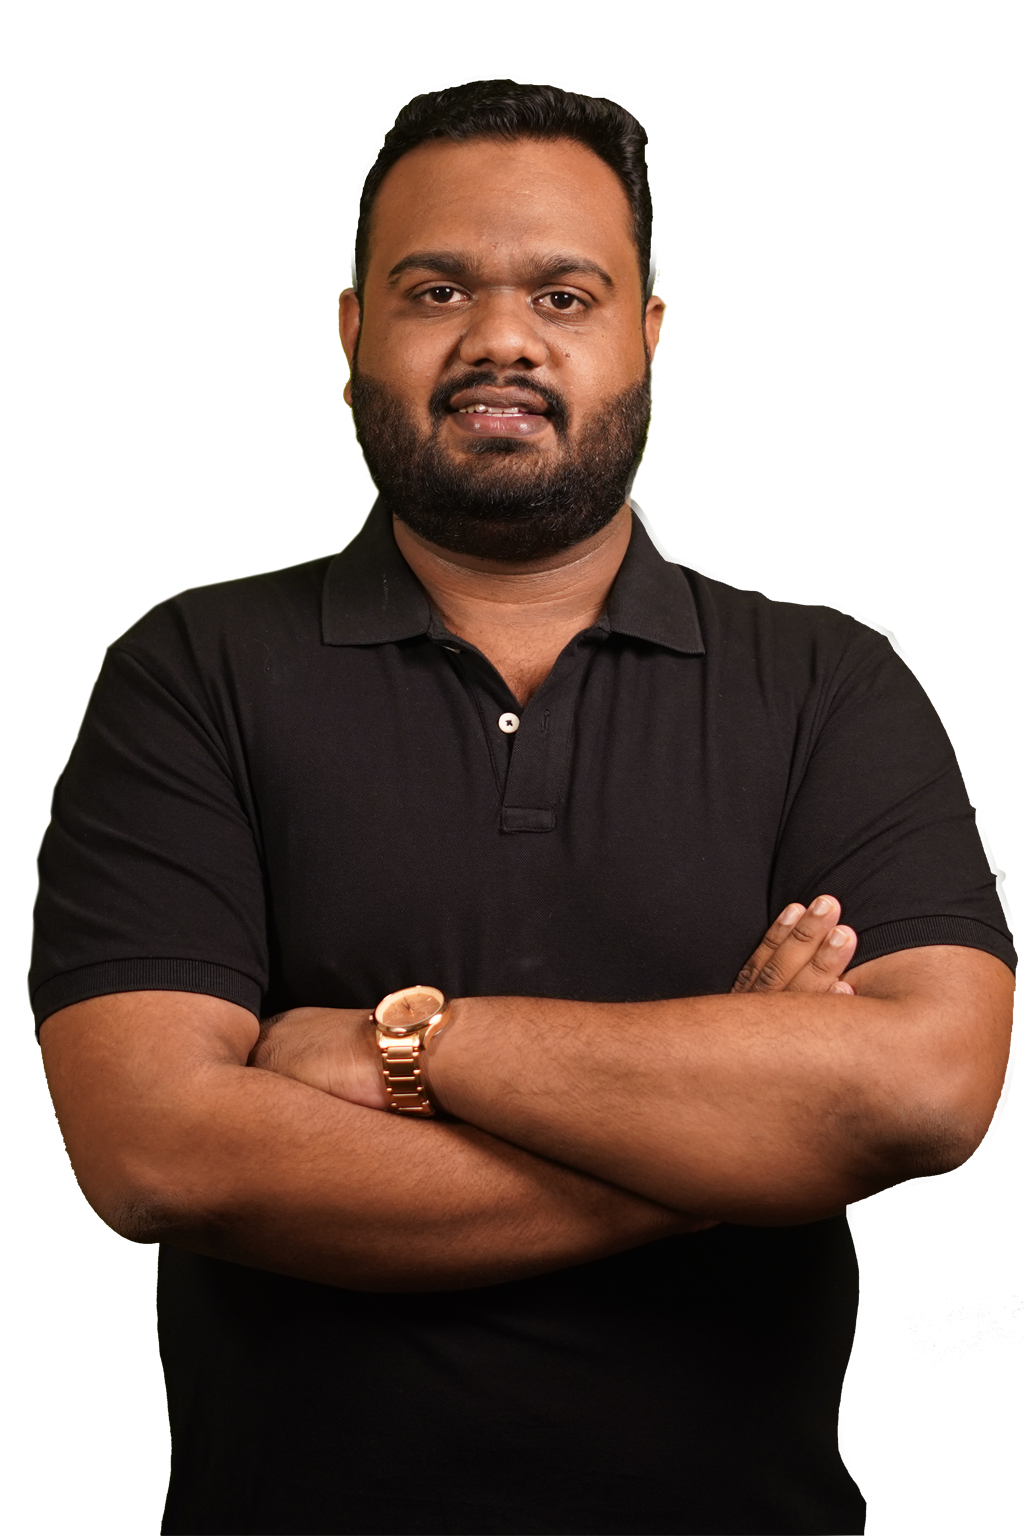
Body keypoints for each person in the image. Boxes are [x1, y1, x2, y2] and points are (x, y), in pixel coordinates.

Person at [33, 76, 1020, 1536]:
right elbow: (161, 1155)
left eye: (565, 295)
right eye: (437, 289)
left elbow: (930, 1092)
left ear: (647, 335)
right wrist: (730, 1147)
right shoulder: (194, 674)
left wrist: (401, 1045)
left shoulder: (828, 680)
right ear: (354, 329)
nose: (502, 338)